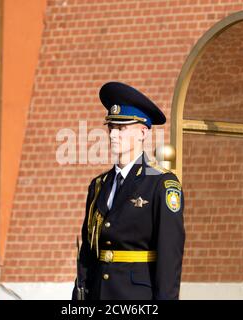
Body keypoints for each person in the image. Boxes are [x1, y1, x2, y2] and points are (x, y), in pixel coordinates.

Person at [72, 82, 185, 300]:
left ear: (143, 133)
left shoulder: (161, 184)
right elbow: (87, 253)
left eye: (122, 128)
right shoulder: (98, 186)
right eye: (111, 128)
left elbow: (169, 258)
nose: (114, 135)